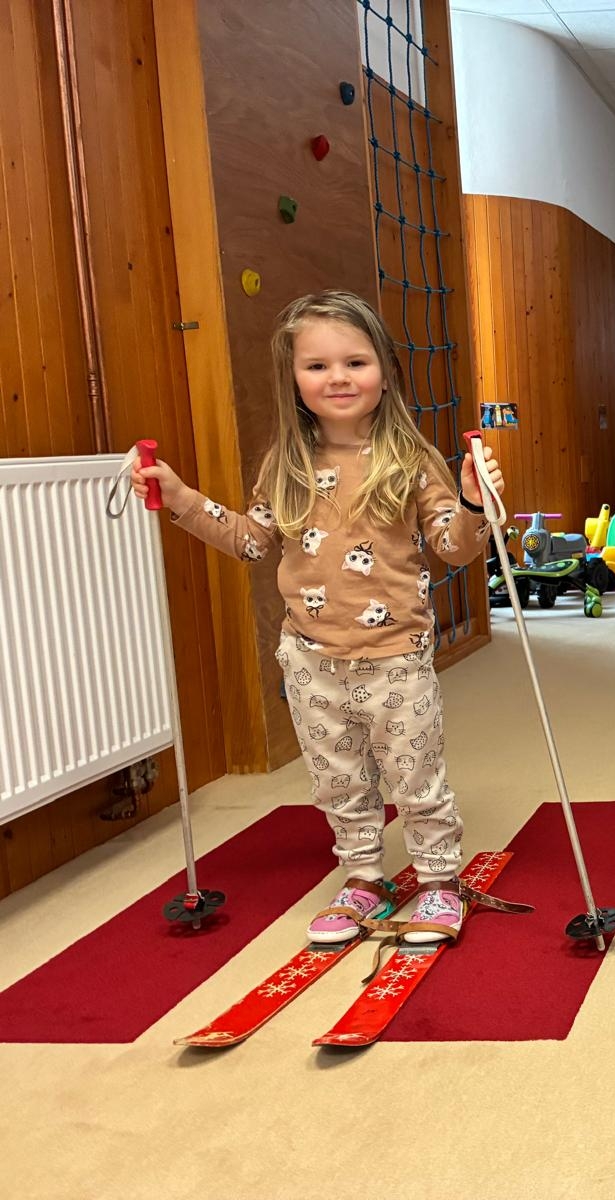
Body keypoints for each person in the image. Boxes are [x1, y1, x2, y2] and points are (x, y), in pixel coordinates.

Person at [132, 290, 498, 944]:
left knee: (416, 777)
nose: (338, 378)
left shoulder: (410, 460)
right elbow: (251, 543)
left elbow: (454, 548)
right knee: (338, 780)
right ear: (293, 378)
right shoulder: (286, 463)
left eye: (355, 362)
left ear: (384, 369)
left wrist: (474, 504)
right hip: (309, 656)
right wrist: (182, 498)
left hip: (395, 653)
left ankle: (439, 882)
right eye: (318, 366)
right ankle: (364, 878)